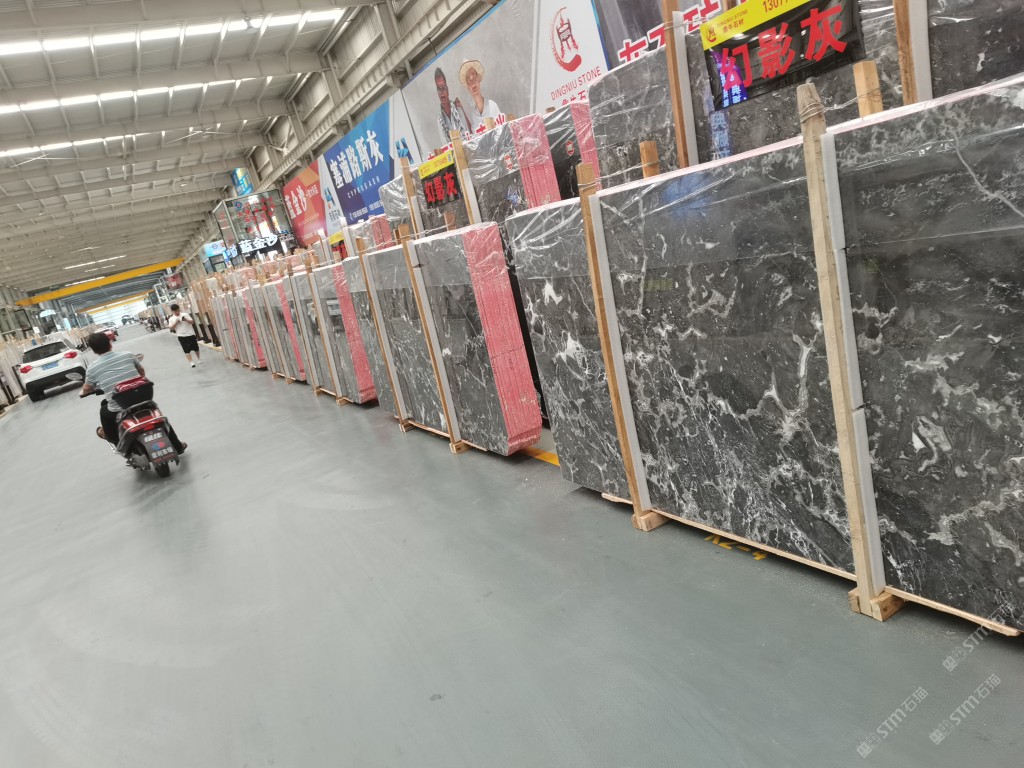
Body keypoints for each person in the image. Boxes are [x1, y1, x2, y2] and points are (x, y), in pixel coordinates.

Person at [79, 332, 186, 453]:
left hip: (120, 407)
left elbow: (87, 388)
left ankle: (117, 442)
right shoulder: (128, 355)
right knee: (158, 417)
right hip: (143, 399)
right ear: (110, 344)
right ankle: (178, 446)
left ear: (93, 350)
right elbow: (141, 371)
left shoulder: (92, 368)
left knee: (104, 411)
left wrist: (82, 393)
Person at [459, 59, 501, 133]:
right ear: (468, 87)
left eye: (474, 77)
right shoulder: (471, 115)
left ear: (479, 80)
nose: (473, 83)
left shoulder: (492, 106)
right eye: (469, 80)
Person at [435, 67, 470, 145]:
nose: (442, 92)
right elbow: (445, 145)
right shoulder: (439, 120)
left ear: (448, 91)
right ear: (437, 93)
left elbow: (468, 135)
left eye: (443, 88)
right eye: (439, 89)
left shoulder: (458, 110)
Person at [168, 303, 201, 368]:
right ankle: (191, 362)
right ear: (172, 311)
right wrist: (176, 323)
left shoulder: (185, 314)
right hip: (181, 336)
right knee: (186, 350)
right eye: (175, 311)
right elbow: (171, 328)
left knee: (196, 348)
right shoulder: (171, 319)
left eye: (178, 310)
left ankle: (198, 358)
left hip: (190, 334)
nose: (177, 312)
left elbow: (192, 322)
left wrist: (185, 320)